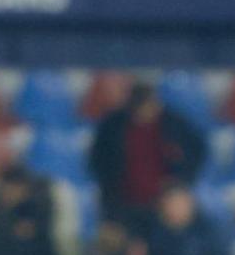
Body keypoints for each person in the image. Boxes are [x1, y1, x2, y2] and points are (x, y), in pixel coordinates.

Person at [89, 86, 208, 227]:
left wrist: (181, 180)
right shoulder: (113, 127)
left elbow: (198, 150)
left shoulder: (174, 125)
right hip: (123, 203)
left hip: (163, 205)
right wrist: (110, 185)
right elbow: (98, 159)